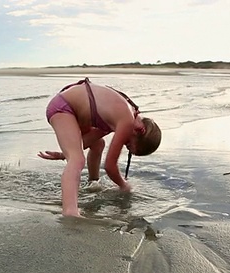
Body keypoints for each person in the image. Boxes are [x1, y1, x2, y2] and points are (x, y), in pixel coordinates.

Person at [38, 77, 161, 217]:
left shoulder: (119, 117)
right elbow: (110, 165)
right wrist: (123, 185)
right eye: (128, 144)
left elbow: (89, 140)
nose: (124, 144)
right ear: (140, 131)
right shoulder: (127, 120)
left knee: (98, 144)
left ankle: (93, 182)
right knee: (77, 160)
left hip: (69, 108)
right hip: (63, 108)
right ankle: (70, 212)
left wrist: (62, 154)